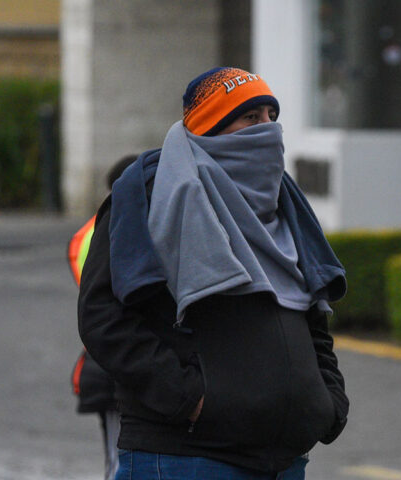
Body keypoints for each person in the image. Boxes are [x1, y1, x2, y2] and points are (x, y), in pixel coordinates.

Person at [78, 67, 349, 480]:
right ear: (211, 128)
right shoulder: (148, 194)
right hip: (184, 458)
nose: (268, 131)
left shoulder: (282, 204)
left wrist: (326, 402)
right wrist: (190, 399)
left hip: (284, 460)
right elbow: (104, 316)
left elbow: (311, 313)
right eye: (251, 118)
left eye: (271, 117)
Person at [69, 153, 137, 480]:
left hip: (107, 365)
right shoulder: (115, 230)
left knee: (120, 460)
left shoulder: (90, 232)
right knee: (119, 464)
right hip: (114, 370)